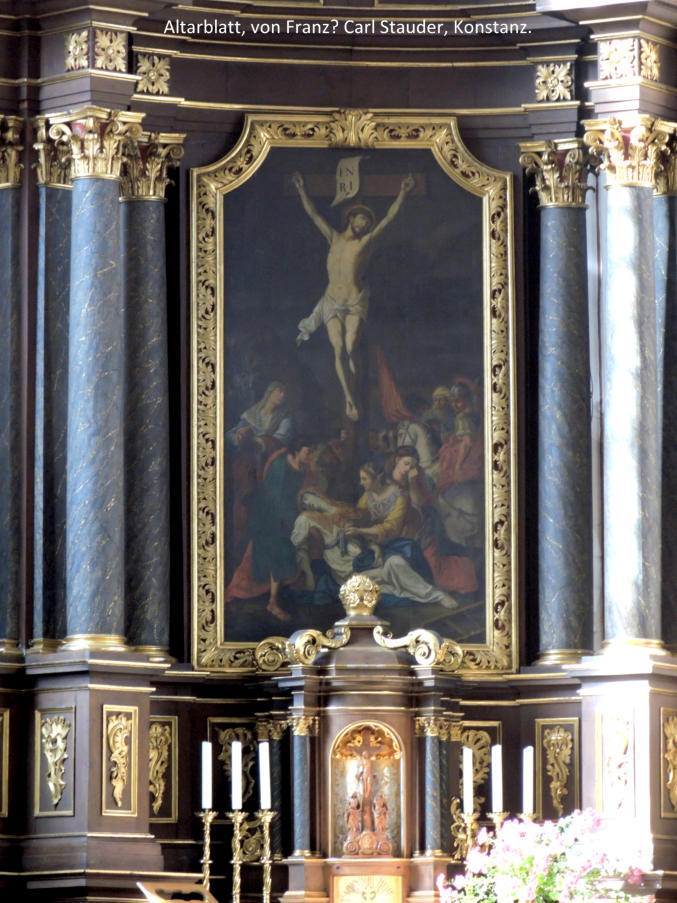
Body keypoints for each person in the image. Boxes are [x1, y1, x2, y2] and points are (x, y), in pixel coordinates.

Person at [292, 171, 415, 421]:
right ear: (352, 218)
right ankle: (349, 399)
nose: (365, 224)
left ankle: (355, 395)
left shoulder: (365, 242)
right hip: (331, 301)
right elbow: (313, 214)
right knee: (337, 349)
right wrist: (301, 190)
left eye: (368, 222)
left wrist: (402, 192)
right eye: (362, 219)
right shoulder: (333, 238)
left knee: (350, 348)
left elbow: (388, 219)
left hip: (355, 302)